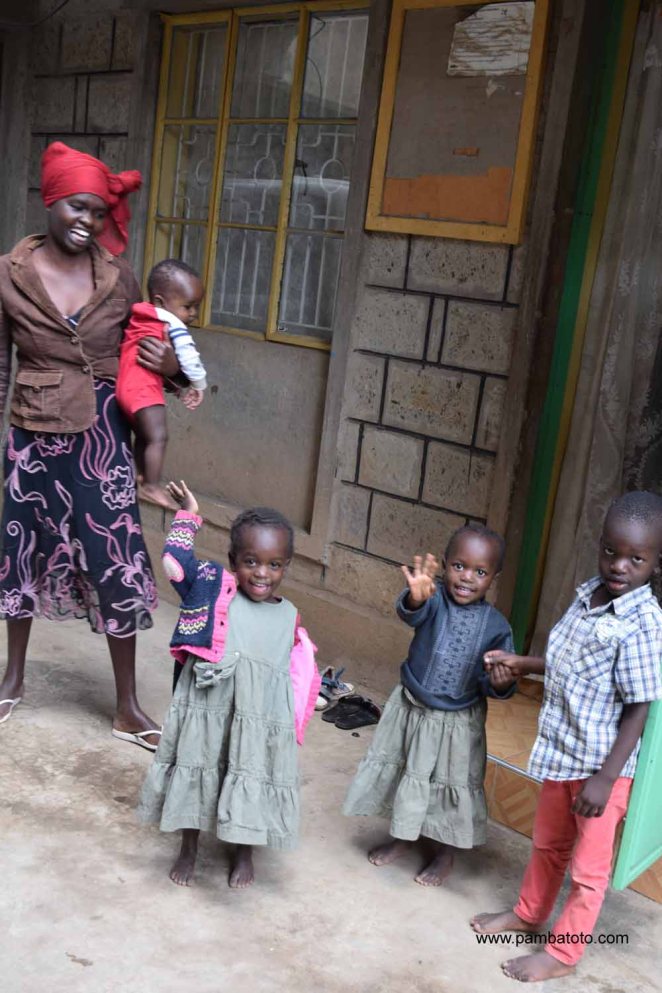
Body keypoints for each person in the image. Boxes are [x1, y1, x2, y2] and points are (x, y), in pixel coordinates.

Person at [0, 141, 183, 748]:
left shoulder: (118, 275)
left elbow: (145, 352)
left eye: (98, 213)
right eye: (77, 208)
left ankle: (128, 704)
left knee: (116, 559)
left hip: (105, 438)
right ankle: (13, 677)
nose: (88, 221)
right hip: (32, 434)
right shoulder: (10, 273)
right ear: (50, 202)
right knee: (20, 550)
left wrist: (172, 367)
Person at [471, 491, 662, 982]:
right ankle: (528, 913)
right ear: (599, 546)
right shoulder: (587, 596)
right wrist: (524, 664)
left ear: (656, 562)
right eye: (611, 552)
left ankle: (563, 954)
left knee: (587, 871)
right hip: (564, 752)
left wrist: (605, 779)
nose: (620, 566)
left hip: (603, 769)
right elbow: (571, 667)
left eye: (636, 558)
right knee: (547, 843)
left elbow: (640, 706)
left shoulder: (643, 623)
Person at [138, 480, 320, 889]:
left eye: (275, 565)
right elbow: (175, 564)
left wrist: (289, 723)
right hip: (209, 708)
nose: (262, 573)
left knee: (248, 774)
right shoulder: (212, 588)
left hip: (256, 718)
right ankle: (188, 846)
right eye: (251, 561)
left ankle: (243, 851)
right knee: (198, 767)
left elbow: (293, 673)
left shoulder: (289, 615)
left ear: (287, 565)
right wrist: (188, 516)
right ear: (233, 560)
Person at [344, 524, 517, 885]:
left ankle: (444, 854)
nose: (467, 577)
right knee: (409, 774)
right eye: (459, 566)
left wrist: (502, 682)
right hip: (413, 709)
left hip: (457, 724)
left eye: (480, 572)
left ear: (494, 577)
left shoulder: (497, 626)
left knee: (449, 785)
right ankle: (403, 837)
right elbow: (412, 613)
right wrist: (416, 598)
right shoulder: (433, 599)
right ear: (444, 564)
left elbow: (495, 680)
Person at [116, 259, 207, 509]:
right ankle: (152, 486)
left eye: (195, 307)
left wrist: (175, 384)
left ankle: (140, 475)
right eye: (188, 306)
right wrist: (198, 384)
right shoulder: (172, 324)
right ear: (159, 302)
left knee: (145, 436)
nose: (192, 314)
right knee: (159, 436)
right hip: (143, 390)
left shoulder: (140, 316)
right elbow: (189, 356)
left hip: (125, 387)